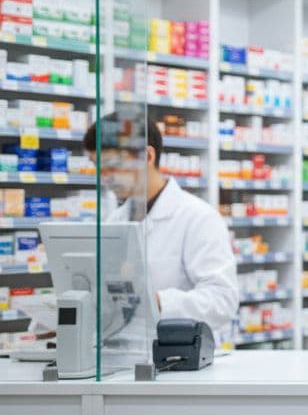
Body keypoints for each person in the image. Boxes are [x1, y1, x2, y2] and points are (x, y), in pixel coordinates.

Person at [83, 117, 238, 346]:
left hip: (180, 355)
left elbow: (222, 300)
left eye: (112, 165)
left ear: (147, 156)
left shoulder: (198, 217)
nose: (104, 177)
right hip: (123, 356)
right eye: (97, 166)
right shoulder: (115, 220)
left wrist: (158, 301)